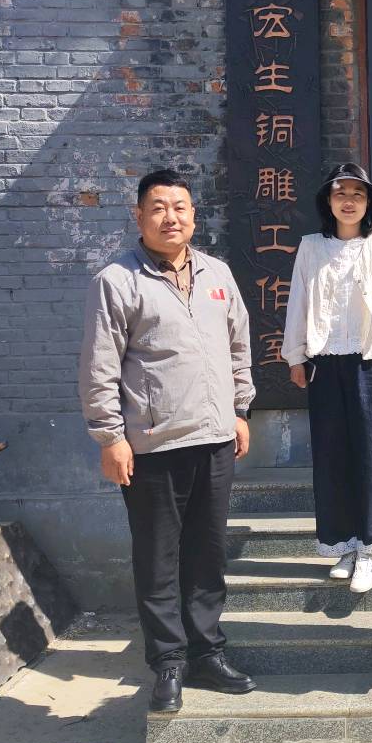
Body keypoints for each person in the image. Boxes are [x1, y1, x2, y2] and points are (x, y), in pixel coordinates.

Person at [79, 168, 256, 714]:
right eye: (158, 208)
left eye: (180, 207)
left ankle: (207, 652)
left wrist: (241, 409)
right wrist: (110, 437)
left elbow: (238, 346)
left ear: (193, 215)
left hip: (215, 438)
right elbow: (99, 367)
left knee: (207, 553)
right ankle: (169, 663)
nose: (170, 217)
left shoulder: (217, 274)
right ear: (139, 216)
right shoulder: (117, 281)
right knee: (158, 560)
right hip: (152, 446)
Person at [281, 163, 372, 593]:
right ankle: (344, 544)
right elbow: (298, 301)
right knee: (333, 456)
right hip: (325, 363)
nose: (349, 201)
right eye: (341, 193)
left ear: (369, 202)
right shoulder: (311, 247)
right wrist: (295, 355)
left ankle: (371, 549)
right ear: (328, 201)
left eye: (358, 194)